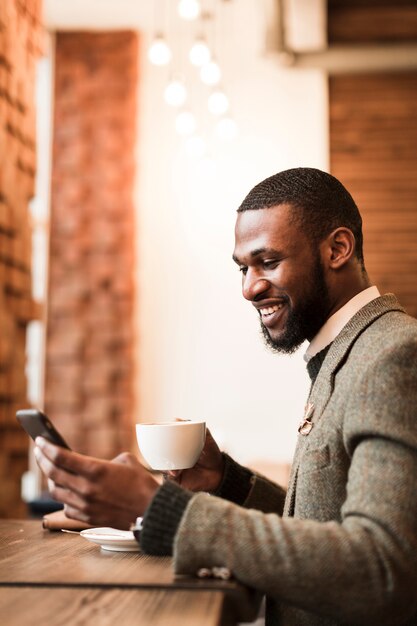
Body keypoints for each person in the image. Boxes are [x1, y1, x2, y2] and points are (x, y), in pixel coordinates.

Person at [34, 168, 417, 625]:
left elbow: (380, 573)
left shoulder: (394, 355)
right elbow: (324, 528)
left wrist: (161, 510)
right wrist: (227, 484)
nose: (249, 288)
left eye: (268, 262)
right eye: (243, 267)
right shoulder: (350, 352)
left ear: (337, 249)